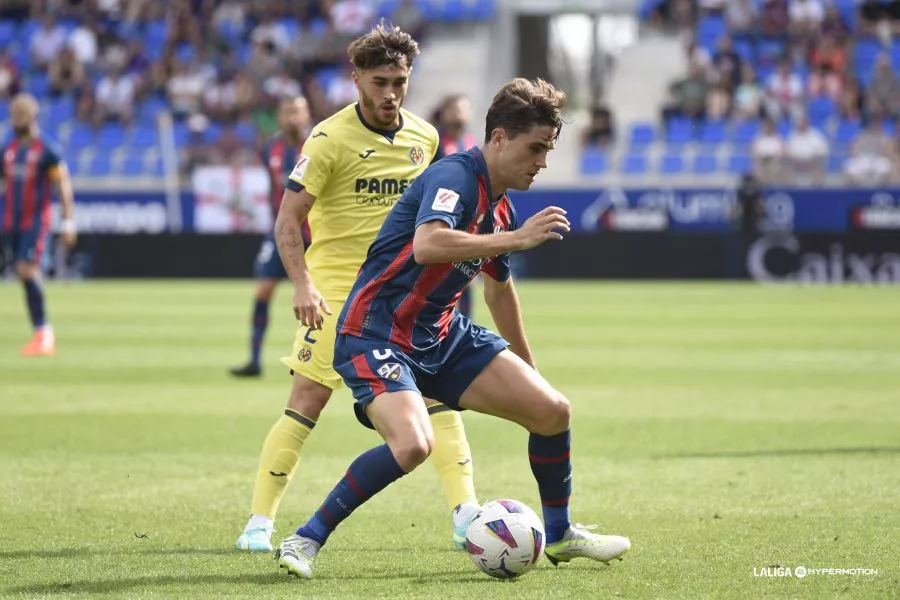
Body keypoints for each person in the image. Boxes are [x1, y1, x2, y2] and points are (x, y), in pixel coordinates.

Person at [274, 78, 631, 579]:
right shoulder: (457, 176)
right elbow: (427, 245)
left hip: (439, 337)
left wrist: (529, 370)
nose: (543, 162)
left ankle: (562, 533)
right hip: (374, 332)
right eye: (536, 148)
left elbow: (499, 292)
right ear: (500, 138)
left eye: (548, 150)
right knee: (413, 445)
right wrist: (515, 239)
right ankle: (305, 538)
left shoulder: (500, 204)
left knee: (552, 411)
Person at [235, 23, 481, 554]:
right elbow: (287, 221)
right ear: (356, 80)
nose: (390, 93)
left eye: (399, 81)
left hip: (399, 296)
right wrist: (301, 284)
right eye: (380, 82)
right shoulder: (326, 139)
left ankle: (467, 515)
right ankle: (259, 522)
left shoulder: (425, 138)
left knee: (437, 396)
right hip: (335, 293)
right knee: (307, 399)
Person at [230, 96, 313, 378]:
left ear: (307, 115)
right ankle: (254, 360)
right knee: (263, 290)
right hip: (281, 233)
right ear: (279, 116)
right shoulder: (271, 149)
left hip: (315, 235)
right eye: (287, 111)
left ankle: (314, 360)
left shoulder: (319, 145)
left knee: (322, 295)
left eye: (298, 112)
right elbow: (271, 190)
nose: (292, 118)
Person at [0, 93, 76, 357]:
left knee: (25, 269)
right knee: (23, 272)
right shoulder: (7, 148)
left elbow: (62, 185)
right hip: (9, 221)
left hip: (35, 222)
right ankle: (41, 333)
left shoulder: (47, 149)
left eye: (20, 115)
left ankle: (44, 333)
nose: (15, 120)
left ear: (32, 117)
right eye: (13, 115)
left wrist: (67, 221)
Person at [431, 93, 479, 317]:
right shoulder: (436, 142)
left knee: (467, 277)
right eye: (455, 109)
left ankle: (463, 327)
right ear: (445, 113)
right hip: (440, 218)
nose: (460, 114)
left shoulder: (470, 142)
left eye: (463, 109)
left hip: (465, 219)